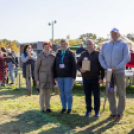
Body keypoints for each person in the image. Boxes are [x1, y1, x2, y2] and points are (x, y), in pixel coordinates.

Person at [99, 28, 130, 122]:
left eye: (115, 33)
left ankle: (120, 113)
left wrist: (117, 67)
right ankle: (113, 112)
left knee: (121, 93)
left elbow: (127, 58)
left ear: (119, 34)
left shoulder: (124, 44)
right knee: (110, 93)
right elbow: (101, 56)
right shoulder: (105, 45)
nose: (113, 35)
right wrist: (105, 66)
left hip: (119, 72)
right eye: (112, 33)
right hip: (108, 72)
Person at [77, 39, 104, 117]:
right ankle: (88, 110)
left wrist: (102, 78)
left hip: (96, 79)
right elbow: (78, 64)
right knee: (87, 95)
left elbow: (102, 67)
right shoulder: (83, 54)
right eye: (87, 44)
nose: (88, 45)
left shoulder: (98, 54)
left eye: (90, 44)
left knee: (96, 96)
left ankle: (96, 111)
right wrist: (81, 69)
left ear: (94, 45)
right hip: (86, 79)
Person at [53, 39, 76, 115]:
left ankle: (69, 108)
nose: (63, 45)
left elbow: (74, 66)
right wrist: (55, 76)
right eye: (62, 44)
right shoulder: (58, 54)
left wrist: (73, 76)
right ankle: (64, 108)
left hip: (68, 77)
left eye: (65, 44)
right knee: (61, 93)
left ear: (68, 45)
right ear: (60, 45)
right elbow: (55, 65)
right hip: (59, 77)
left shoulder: (71, 54)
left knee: (67, 92)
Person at [35, 41, 55, 113]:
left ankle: (48, 107)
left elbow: (54, 68)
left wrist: (54, 78)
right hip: (42, 78)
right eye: (45, 47)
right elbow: (36, 69)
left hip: (50, 78)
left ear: (50, 48)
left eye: (48, 47)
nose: (47, 48)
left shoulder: (53, 57)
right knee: (42, 93)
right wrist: (37, 80)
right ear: (43, 48)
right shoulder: (40, 56)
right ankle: (42, 108)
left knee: (48, 93)